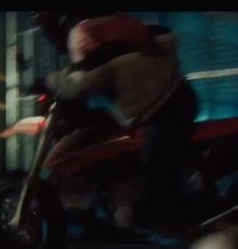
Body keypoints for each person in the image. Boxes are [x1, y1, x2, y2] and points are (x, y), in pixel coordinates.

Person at [31, 12, 200, 229]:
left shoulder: (84, 33)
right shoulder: (112, 27)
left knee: (155, 167)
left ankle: (170, 223)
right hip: (170, 100)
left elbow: (81, 82)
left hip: (163, 109)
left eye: (44, 22)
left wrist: (46, 82)